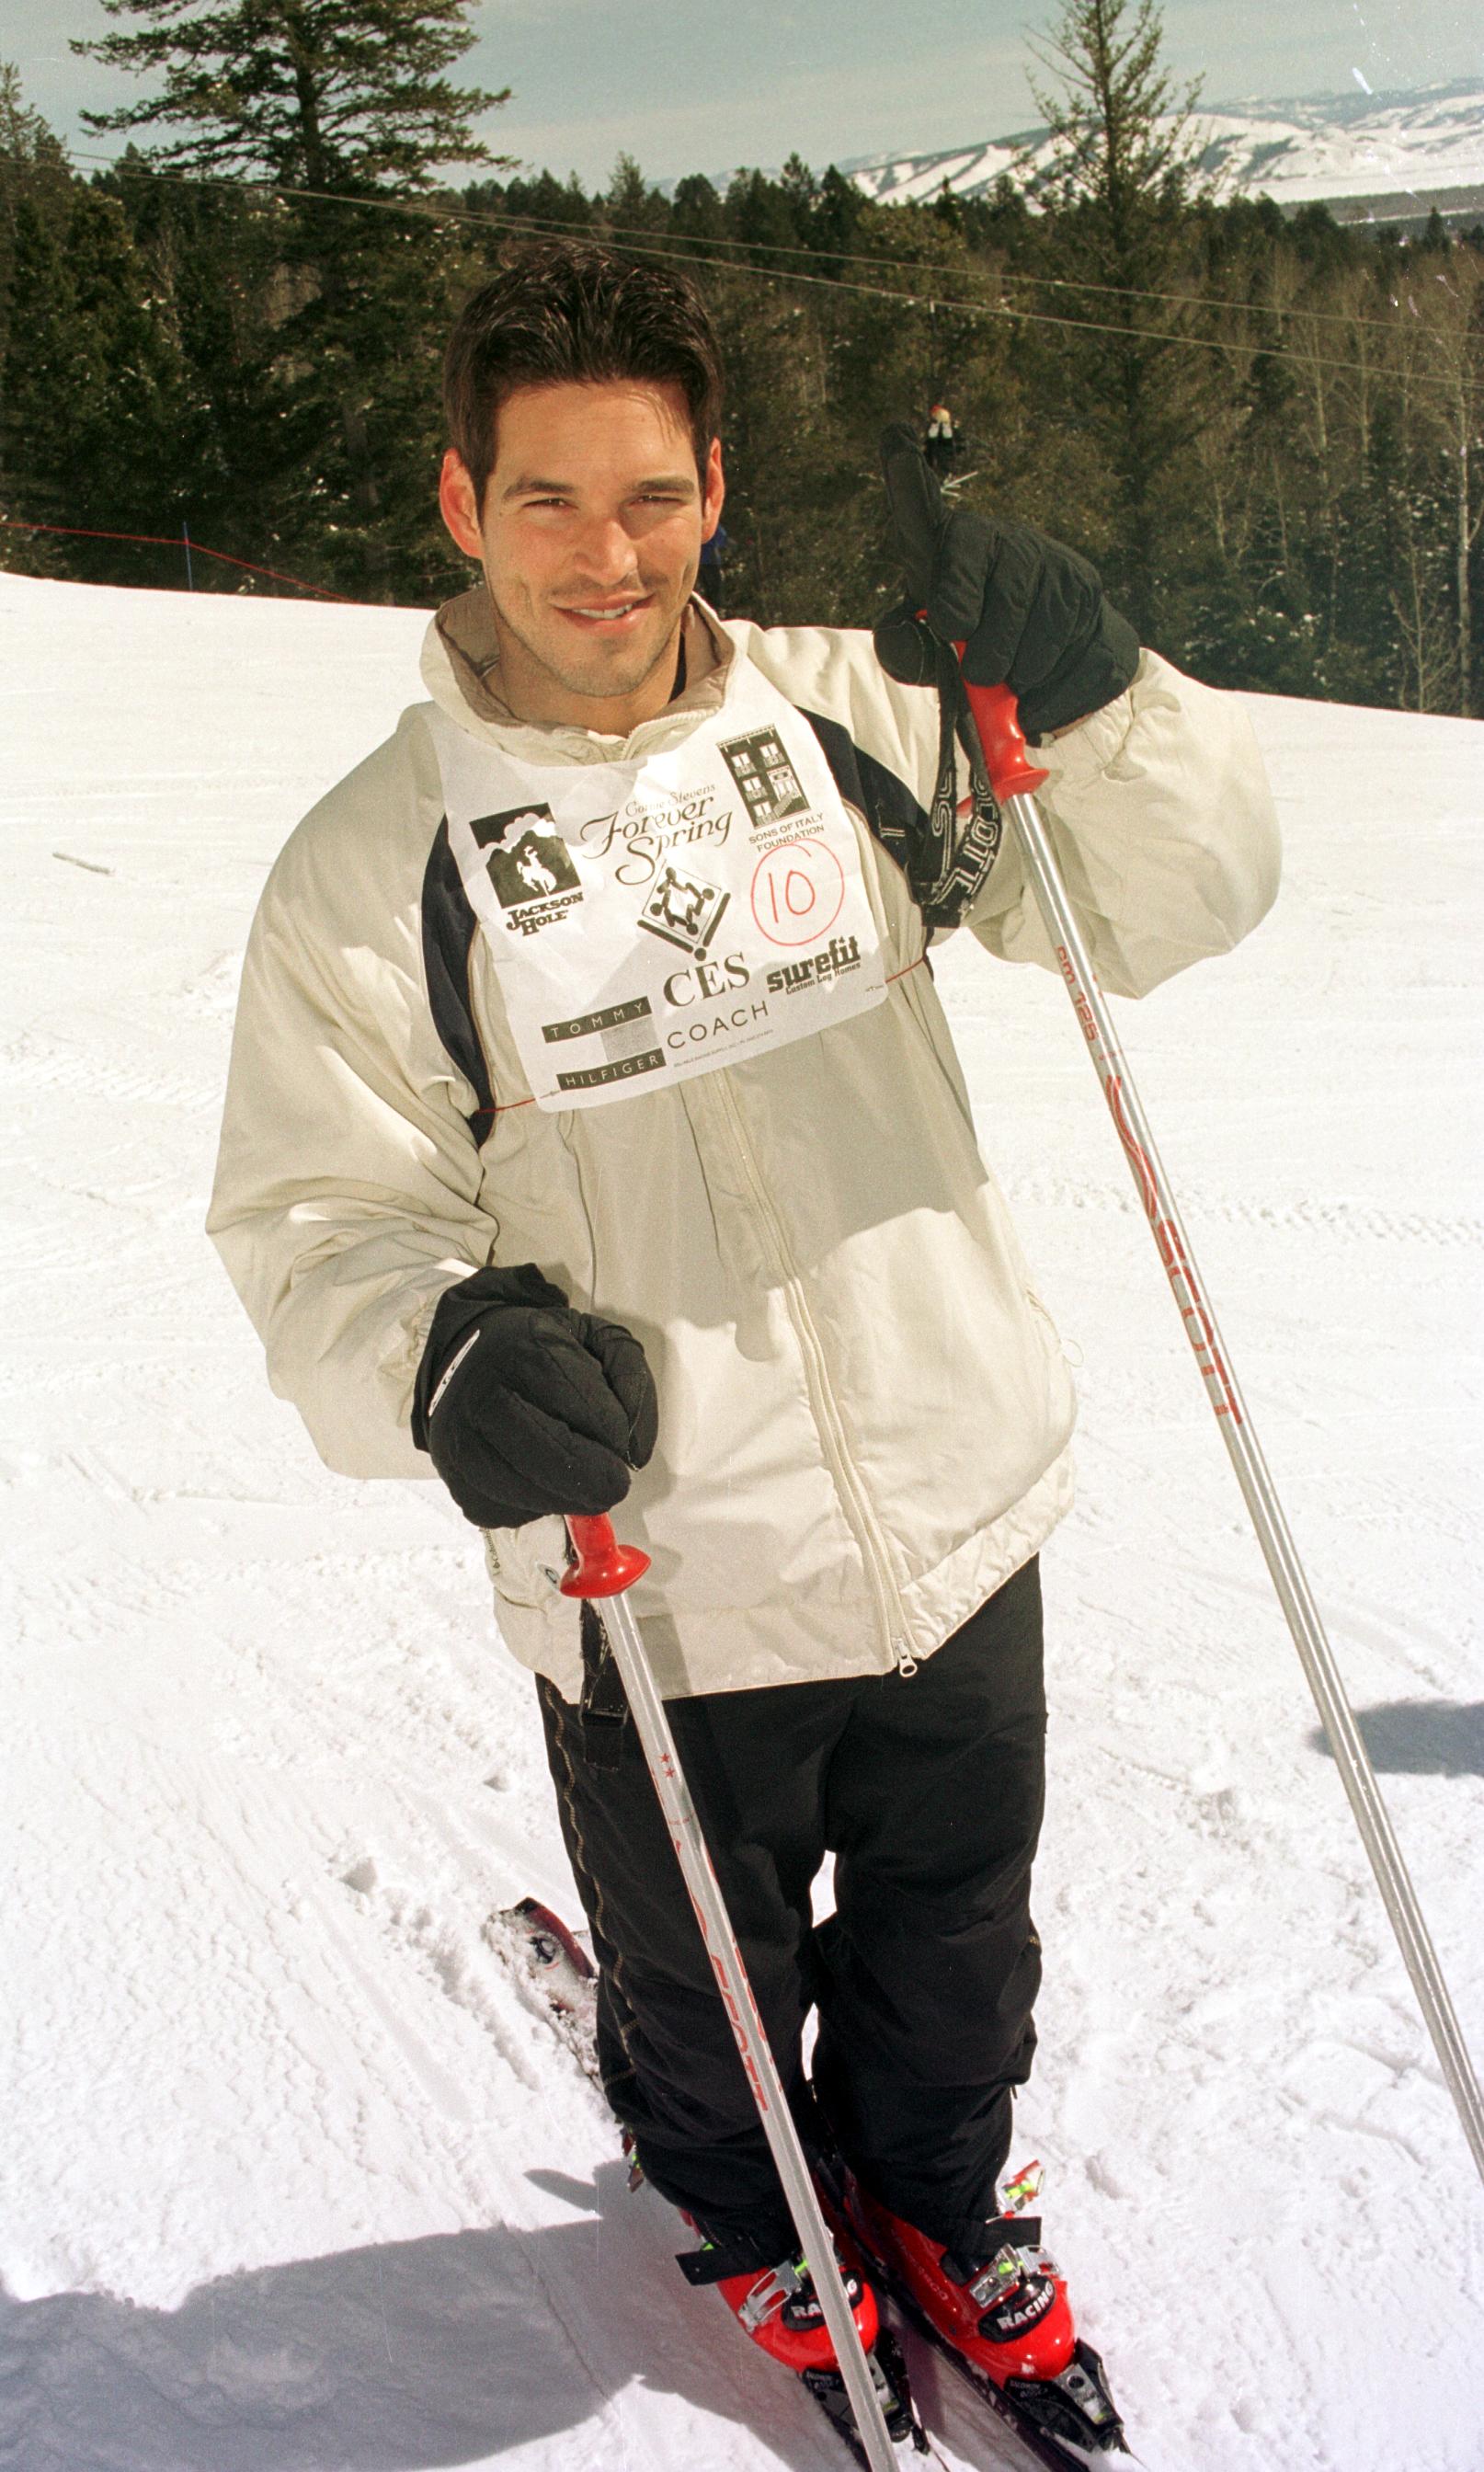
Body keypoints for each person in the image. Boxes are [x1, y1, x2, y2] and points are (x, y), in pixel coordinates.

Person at [208, 241, 1279, 2432]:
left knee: (958, 1938)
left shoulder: (856, 715)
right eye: (546, 503)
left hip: (958, 1486)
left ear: (717, 484)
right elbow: (317, 1213)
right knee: (711, 1976)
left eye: (652, 498)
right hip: (664, 1552)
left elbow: (1169, 905)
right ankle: (743, 2205)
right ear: (458, 505)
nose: (607, 560)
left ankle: (944, 2197)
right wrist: (436, 1351)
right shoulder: (373, 861)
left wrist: (1092, 698)